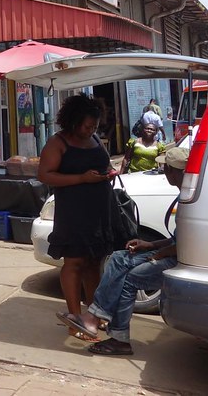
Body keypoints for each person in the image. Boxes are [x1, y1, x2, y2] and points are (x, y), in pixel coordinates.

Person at [62, 147, 188, 356]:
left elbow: (187, 244)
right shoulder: (186, 194)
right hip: (174, 253)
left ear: (173, 171)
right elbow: (179, 239)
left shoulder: (188, 200)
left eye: (166, 167)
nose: (164, 171)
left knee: (128, 278)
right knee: (119, 258)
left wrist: (161, 253)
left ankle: (111, 332)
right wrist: (151, 245)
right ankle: (97, 318)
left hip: (178, 259)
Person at [37, 94, 117, 342]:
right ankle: (75, 319)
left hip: (98, 209)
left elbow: (102, 163)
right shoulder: (58, 142)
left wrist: (107, 174)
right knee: (74, 263)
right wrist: (81, 179)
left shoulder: (93, 139)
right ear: (73, 121)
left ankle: (92, 315)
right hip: (73, 211)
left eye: (94, 126)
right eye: (87, 126)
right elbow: (45, 175)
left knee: (93, 262)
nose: (91, 130)